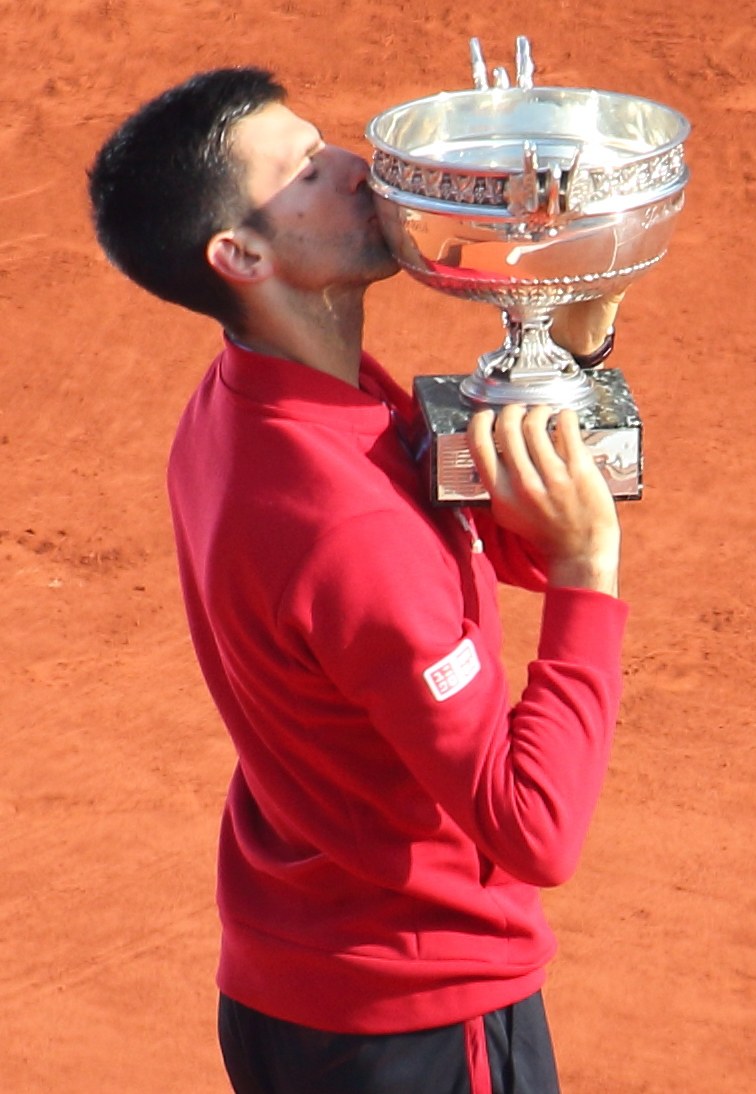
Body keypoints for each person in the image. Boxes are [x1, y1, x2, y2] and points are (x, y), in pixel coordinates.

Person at [88, 66, 627, 1094]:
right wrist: (585, 572)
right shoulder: (345, 526)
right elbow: (533, 828)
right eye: (306, 172)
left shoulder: (257, 399)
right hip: (418, 1025)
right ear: (239, 254)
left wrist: (576, 340)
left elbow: (467, 540)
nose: (354, 167)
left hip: (300, 985)